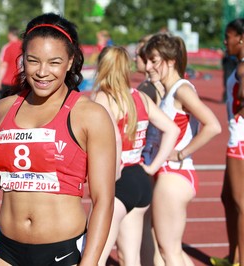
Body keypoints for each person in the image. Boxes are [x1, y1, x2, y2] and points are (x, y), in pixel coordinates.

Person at [0, 13, 116, 265]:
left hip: (62, 252)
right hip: (7, 251)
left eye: (54, 62)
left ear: (70, 61)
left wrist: (89, 262)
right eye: (33, 61)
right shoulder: (4, 109)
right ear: (22, 59)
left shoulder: (90, 115)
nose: (42, 72)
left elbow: (103, 200)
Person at [92, 46, 179, 266]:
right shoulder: (140, 97)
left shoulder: (103, 98)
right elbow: (172, 129)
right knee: (130, 259)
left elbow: (116, 140)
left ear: (103, 67)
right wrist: (152, 167)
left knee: (96, 257)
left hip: (118, 181)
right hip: (140, 179)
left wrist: (112, 176)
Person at [144, 33, 221, 265]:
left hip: (175, 174)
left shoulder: (181, 90)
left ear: (170, 61)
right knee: (171, 249)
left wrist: (180, 153)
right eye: (147, 60)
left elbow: (213, 126)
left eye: (153, 60)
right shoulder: (169, 91)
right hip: (169, 173)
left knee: (169, 251)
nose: (148, 66)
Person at [211, 18, 244, 266]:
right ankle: (233, 256)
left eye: (228, 36)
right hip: (236, 138)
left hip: (240, 141)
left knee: (241, 204)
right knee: (227, 197)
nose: (225, 42)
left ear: (241, 39)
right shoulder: (239, 65)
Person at [0, 26, 22, 99]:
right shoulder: (24, 46)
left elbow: (4, 65)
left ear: (10, 34)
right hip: (19, 81)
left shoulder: (7, 47)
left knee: (3, 106)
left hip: (8, 81)